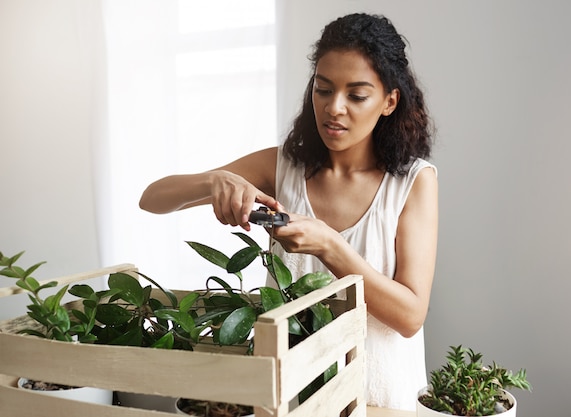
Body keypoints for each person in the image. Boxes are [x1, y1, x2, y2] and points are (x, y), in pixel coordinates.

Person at [139, 13, 438, 411]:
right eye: (323, 88)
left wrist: (330, 245)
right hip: (290, 395)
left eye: (356, 95)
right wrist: (214, 183)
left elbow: (410, 316)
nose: (334, 108)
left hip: (380, 396)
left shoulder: (413, 182)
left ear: (389, 101)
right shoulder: (283, 168)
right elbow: (152, 198)